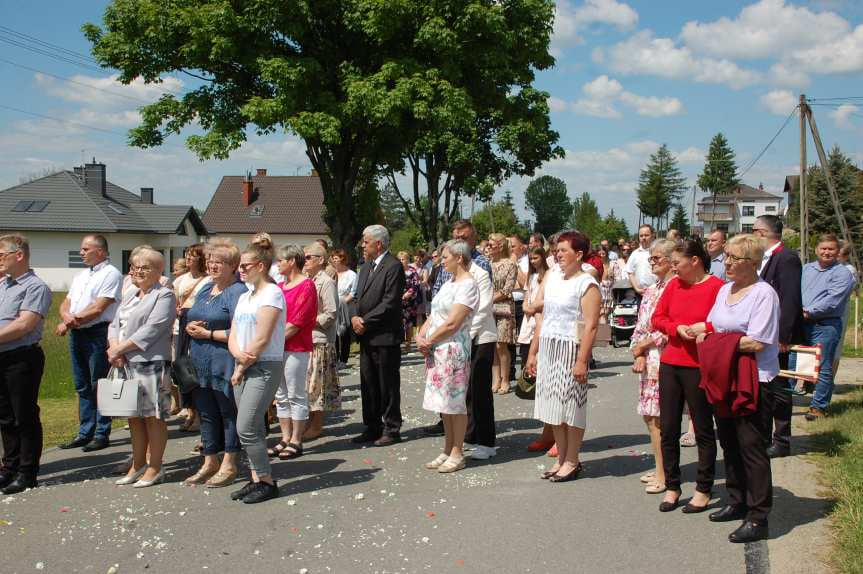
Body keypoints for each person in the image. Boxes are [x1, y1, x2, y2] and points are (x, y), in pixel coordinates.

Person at [693, 234, 779, 543]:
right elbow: (715, 324)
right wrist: (703, 331)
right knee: (728, 442)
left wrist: (714, 342)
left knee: (752, 448)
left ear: (754, 263)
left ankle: (759, 518)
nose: (727, 262)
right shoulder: (726, 290)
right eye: (727, 256)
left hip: (754, 379)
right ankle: (737, 500)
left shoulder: (763, 294)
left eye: (735, 258)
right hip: (724, 377)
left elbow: (756, 341)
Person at [650, 238, 724, 513]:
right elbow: (657, 317)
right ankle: (672, 486)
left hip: (699, 364)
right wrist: (676, 328)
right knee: (668, 427)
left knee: (703, 428)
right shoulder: (673, 285)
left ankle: (704, 488)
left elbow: (725, 321)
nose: (673, 268)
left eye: (677, 263)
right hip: (671, 362)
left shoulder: (717, 287)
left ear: (695, 261)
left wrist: (704, 327)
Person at [526, 231, 601, 482]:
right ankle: (560, 459)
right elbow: (544, 317)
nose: (557, 254)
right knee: (553, 406)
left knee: (572, 406)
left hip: (571, 349)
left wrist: (582, 360)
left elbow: (591, 325)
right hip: (549, 346)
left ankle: (572, 459)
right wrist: (533, 352)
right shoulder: (553, 277)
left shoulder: (587, 283)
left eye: (563, 250)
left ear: (578, 254)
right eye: (556, 250)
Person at [108, 247, 177, 488]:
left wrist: (120, 349)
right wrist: (114, 347)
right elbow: (114, 324)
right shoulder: (130, 294)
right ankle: (137, 464)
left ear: (159, 271)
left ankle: (155, 466)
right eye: (135, 267)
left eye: (145, 267)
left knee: (153, 417)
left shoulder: (164, 295)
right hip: (126, 363)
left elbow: (152, 329)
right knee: (134, 417)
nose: (138, 271)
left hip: (151, 363)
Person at [182, 239, 247, 487]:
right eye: (210, 260)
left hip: (223, 360)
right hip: (200, 360)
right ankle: (209, 461)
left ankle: (230, 462)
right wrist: (190, 326)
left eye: (218, 262)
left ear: (233, 266)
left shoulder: (237, 292)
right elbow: (192, 314)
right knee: (206, 412)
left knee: (228, 411)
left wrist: (208, 334)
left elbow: (241, 330)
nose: (212, 265)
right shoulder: (206, 288)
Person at [227, 244, 286, 504]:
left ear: (260, 266)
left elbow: (262, 338)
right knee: (252, 427)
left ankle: (267, 481)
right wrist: (237, 354)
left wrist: (241, 365)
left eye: (244, 266)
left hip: (263, 365)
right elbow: (234, 332)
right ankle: (256, 479)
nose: (240, 270)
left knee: (246, 425)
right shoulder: (244, 297)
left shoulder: (272, 293)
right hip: (244, 363)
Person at [417, 240, 479, 473]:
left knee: (455, 402)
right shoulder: (448, 283)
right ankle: (447, 448)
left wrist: (430, 341)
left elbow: (454, 322)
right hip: (437, 350)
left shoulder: (468, 285)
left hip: (453, 349)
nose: (442, 262)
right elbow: (434, 315)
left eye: (445, 257)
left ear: (459, 258)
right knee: (443, 403)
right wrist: (421, 335)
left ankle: (457, 451)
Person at [56, 234, 122, 452]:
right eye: (82, 249)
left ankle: (102, 433)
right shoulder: (81, 275)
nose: (81, 253)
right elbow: (67, 301)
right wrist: (67, 317)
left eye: (86, 249)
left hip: (97, 333)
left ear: (101, 251)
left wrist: (69, 323)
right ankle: (85, 431)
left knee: (99, 383)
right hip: (78, 333)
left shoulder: (111, 274)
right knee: (82, 384)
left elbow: (98, 308)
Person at [0, 234, 52, 494]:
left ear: (18, 255)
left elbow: (25, 324)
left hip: (21, 357)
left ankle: (27, 472)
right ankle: (9, 468)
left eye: (1, 255)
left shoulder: (35, 287)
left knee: (24, 415)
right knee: (6, 417)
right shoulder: (4, 285)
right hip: (2, 356)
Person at [752, 215, 803, 457]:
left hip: (777, 336)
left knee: (780, 388)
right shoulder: (765, 258)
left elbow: (790, 299)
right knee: (766, 388)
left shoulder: (787, 257)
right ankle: (762, 435)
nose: (752, 236)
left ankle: (781, 439)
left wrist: (783, 337)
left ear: (763, 233)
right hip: (763, 334)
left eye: (754, 231)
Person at [351, 225, 406, 446]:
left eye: (365, 241)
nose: (362, 245)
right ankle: (371, 425)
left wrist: (365, 320)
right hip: (366, 336)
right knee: (369, 383)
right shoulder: (365, 267)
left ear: (378, 243)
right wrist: (355, 317)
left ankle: (391, 428)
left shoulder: (393, 267)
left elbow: (390, 302)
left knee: (387, 384)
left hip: (384, 335)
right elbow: (357, 297)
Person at [629, 239, 676, 495]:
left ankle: (665, 473)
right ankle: (661, 467)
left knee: (660, 418)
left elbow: (671, 328)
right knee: (649, 417)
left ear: (671, 260)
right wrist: (638, 351)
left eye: (657, 258)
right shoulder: (651, 290)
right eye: (651, 259)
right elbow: (641, 325)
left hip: (665, 358)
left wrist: (645, 344)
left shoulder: (676, 288)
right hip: (648, 358)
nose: (652, 262)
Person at [267, 244, 317, 459]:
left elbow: (297, 322)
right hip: (279, 347)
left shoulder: (306, 286)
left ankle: (297, 439)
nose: (277, 264)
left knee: (296, 393)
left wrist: (270, 342)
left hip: (296, 347)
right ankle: (285, 437)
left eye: (280, 260)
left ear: (292, 261)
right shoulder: (279, 286)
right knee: (281, 395)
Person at [801, 234, 857, 420]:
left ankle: (819, 407)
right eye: (823, 248)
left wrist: (808, 312)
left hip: (826, 325)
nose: (826, 252)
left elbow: (833, 301)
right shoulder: (806, 269)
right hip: (802, 322)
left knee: (824, 366)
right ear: (816, 250)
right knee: (797, 363)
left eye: (831, 249)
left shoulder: (843, 273)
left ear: (837, 252)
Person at [303, 242, 340, 441]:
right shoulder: (307, 280)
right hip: (306, 340)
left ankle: (317, 425)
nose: (305, 260)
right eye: (304, 256)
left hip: (319, 339)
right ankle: (309, 422)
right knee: (307, 385)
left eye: (309, 257)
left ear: (320, 260)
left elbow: (331, 313)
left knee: (317, 386)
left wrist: (308, 322)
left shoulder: (325, 281)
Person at [521, 248, 555, 454]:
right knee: (544, 390)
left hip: (555, 337)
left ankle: (560, 438)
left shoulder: (557, 276)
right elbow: (533, 300)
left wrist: (535, 306)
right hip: (538, 330)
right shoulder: (539, 277)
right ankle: (547, 434)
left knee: (556, 391)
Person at [174, 243, 210, 432]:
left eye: (193, 255)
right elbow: (174, 298)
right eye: (187, 254)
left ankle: (199, 415)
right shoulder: (181, 279)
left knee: (194, 368)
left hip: (197, 321)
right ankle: (190, 411)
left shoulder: (208, 280)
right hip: (181, 322)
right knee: (182, 367)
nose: (188, 258)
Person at [489, 233, 517, 395]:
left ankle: (505, 379)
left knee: (501, 344)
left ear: (500, 246)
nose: (489, 248)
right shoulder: (487, 264)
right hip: (488, 308)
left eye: (491, 245)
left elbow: (508, 289)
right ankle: (495, 379)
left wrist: (490, 299)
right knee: (492, 344)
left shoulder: (510, 264)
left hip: (504, 306)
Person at [331, 249, 357, 369]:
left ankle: (344, 359)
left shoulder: (351, 274)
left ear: (343, 259)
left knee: (344, 331)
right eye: (333, 257)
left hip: (346, 305)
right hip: (332, 304)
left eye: (337, 257)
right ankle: (335, 358)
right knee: (333, 332)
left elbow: (353, 292)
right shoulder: (330, 273)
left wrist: (342, 302)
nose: (334, 260)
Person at [508, 234, 529, 381]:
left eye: (513, 246)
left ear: (522, 246)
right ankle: (509, 370)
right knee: (508, 339)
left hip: (522, 303)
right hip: (508, 302)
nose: (511, 249)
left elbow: (524, 284)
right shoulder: (506, 260)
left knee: (524, 337)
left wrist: (515, 264)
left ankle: (525, 370)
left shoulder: (528, 261)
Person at [398, 251, 420, 351]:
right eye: (400, 259)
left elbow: (416, 284)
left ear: (407, 260)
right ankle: (399, 343)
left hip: (410, 301)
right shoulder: (396, 271)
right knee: (400, 322)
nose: (401, 261)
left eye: (403, 259)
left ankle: (408, 344)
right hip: (398, 301)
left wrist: (408, 293)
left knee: (409, 323)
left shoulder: (413, 271)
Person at [627, 225, 657, 298]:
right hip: (640, 294)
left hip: (656, 293)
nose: (643, 238)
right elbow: (630, 272)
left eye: (646, 235)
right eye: (641, 236)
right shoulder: (635, 254)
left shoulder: (658, 252)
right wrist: (636, 289)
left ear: (653, 236)